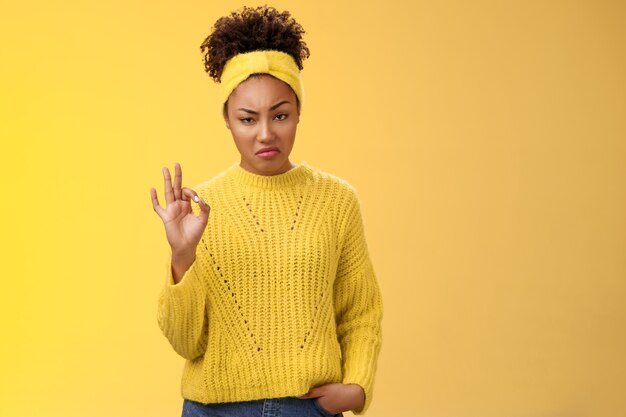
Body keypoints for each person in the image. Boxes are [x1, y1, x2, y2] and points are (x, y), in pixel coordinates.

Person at [150, 5, 383, 417]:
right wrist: (181, 255)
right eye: (247, 118)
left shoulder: (336, 201)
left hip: (305, 408)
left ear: (298, 113)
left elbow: (360, 312)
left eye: (280, 115)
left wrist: (357, 387)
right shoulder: (198, 209)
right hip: (212, 410)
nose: (265, 133)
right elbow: (187, 344)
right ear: (227, 119)